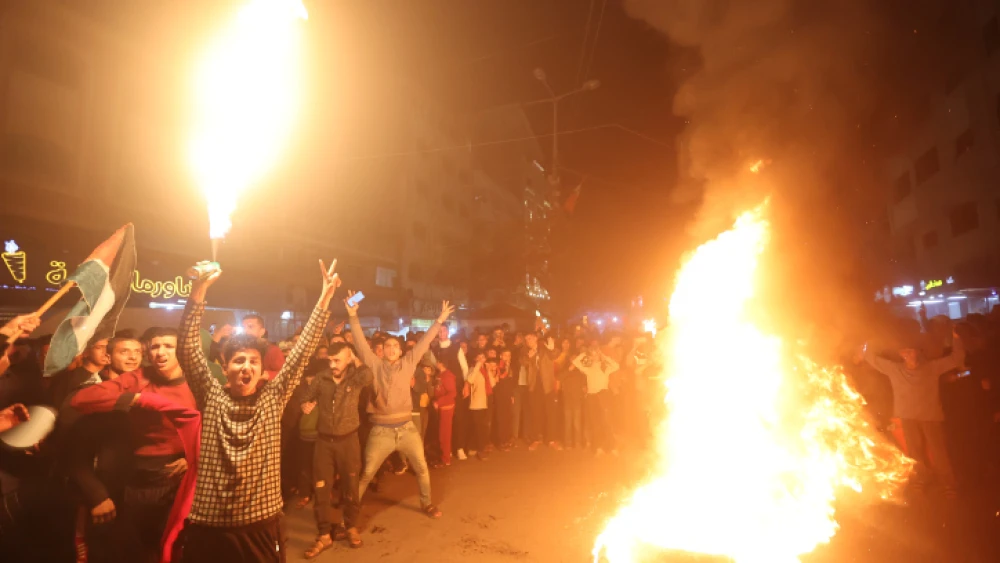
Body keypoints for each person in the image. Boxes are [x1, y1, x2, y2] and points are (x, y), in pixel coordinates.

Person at [176, 259, 338, 562]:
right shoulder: (210, 396)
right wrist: (199, 289)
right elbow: (186, 348)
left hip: (261, 524)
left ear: (263, 368)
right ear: (224, 367)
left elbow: (302, 352)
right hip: (210, 524)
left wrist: (325, 296)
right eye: (238, 360)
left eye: (253, 361)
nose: (246, 366)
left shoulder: (271, 398)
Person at [70, 328, 197, 562]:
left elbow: (210, 426)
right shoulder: (138, 378)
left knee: (178, 548)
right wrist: (137, 398)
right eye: (155, 346)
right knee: (140, 551)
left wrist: (192, 457)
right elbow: (80, 400)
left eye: (169, 346)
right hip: (140, 479)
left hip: (184, 479)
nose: (161, 352)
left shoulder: (196, 380)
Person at [347, 291, 453, 520]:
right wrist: (353, 316)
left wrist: (440, 320)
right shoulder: (374, 365)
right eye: (387, 346)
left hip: (406, 429)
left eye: (395, 345)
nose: (392, 349)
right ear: (382, 351)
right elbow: (359, 343)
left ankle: (427, 504)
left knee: (422, 468)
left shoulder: (408, 363)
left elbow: (425, 342)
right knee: (366, 473)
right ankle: (351, 512)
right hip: (381, 431)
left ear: (401, 350)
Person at [857, 333, 964, 498]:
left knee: (939, 452)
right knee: (915, 453)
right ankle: (920, 480)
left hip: (930, 417)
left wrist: (956, 338)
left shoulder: (932, 368)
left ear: (918, 352)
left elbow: (956, 359)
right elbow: (871, 358)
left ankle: (949, 484)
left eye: (911, 351)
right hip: (907, 417)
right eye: (905, 352)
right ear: (901, 354)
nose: (908, 355)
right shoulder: (894, 369)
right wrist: (870, 337)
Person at [299, 341, 373, 556]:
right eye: (330, 360)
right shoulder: (321, 378)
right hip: (324, 442)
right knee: (322, 489)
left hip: (348, 441)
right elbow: (306, 397)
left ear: (348, 358)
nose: (332, 364)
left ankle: (350, 526)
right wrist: (306, 404)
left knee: (351, 487)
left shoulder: (355, 377)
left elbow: (368, 376)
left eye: (337, 360)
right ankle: (323, 534)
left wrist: (354, 358)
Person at [573, 340, 620, 456]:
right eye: (593, 354)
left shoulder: (605, 367)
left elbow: (616, 366)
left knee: (606, 422)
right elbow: (575, 362)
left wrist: (603, 356)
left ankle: (612, 447)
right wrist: (585, 353)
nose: (594, 356)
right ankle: (599, 448)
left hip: (603, 396)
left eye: (596, 354)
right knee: (595, 423)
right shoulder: (588, 368)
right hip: (591, 397)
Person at [521, 333, 561, 451]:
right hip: (534, 387)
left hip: (547, 386)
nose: (529, 340)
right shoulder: (524, 351)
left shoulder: (545, 348)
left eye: (531, 338)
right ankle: (537, 439)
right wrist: (529, 357)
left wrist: (552, 348)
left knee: (551, 414)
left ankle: (551, 439)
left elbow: (555, 355)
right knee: (536, 414)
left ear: (536, 338)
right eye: (527, 338)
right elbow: (523, 363)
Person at [466, 355, 494, 460]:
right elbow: (470, 380)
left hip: (487, 401)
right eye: (479, 358)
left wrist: (489, 371)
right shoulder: (473, 369)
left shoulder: (485, 370)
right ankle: (479, 449)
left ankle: (477, 447)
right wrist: (478, 365)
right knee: (478, 427)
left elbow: (493, 384)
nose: (482, 359)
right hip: (477, 403)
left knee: (483, 426)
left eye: (483, 357)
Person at [432, 358, 457, 466]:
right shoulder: (440, 375)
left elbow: (452, 393)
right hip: (441, 407)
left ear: (441, 363)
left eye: (437, 362)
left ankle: (445, 458)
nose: (436, 364)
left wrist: (439, 401)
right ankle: (444, 454)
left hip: (446, 407)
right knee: (442, 432)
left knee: (444, 434)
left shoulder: (447, 376)